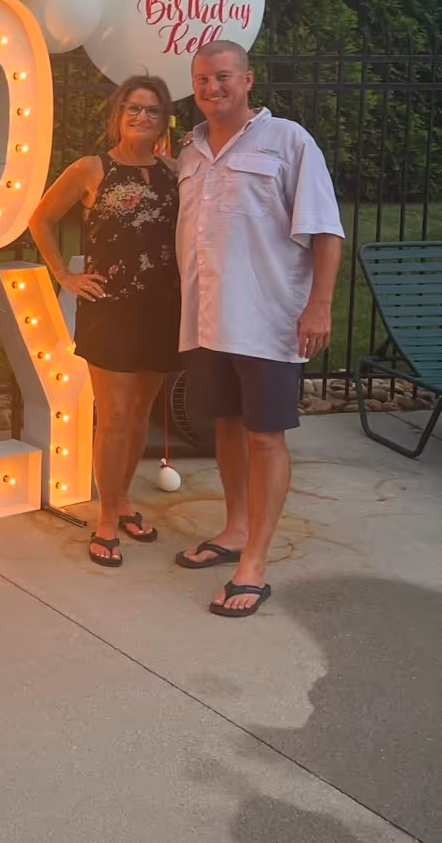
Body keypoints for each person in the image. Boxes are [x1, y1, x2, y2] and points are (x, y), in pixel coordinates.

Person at [174, 40, 344, 617]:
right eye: (201, 79)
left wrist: (318, 307)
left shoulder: (288, 141)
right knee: (226, 426)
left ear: (247, 80)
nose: (210, 88)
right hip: (207, 319)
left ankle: (256, 561)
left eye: (222, 76)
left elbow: (325, 230)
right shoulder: (190, 152)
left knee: (265, 436)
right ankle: (233, 529)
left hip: (269, 319)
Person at [29, 75, 182, 569]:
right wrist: (64, 275)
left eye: (153, 110)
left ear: (164, 120)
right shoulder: (93, 168)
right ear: (118, 114)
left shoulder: (174, 172)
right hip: (109, 308)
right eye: (134, 108)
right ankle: (105, 519)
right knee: (113, 417)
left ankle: (122, 500)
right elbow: (41, 219)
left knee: (139, 415)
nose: (142, 117)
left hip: (162, 308)